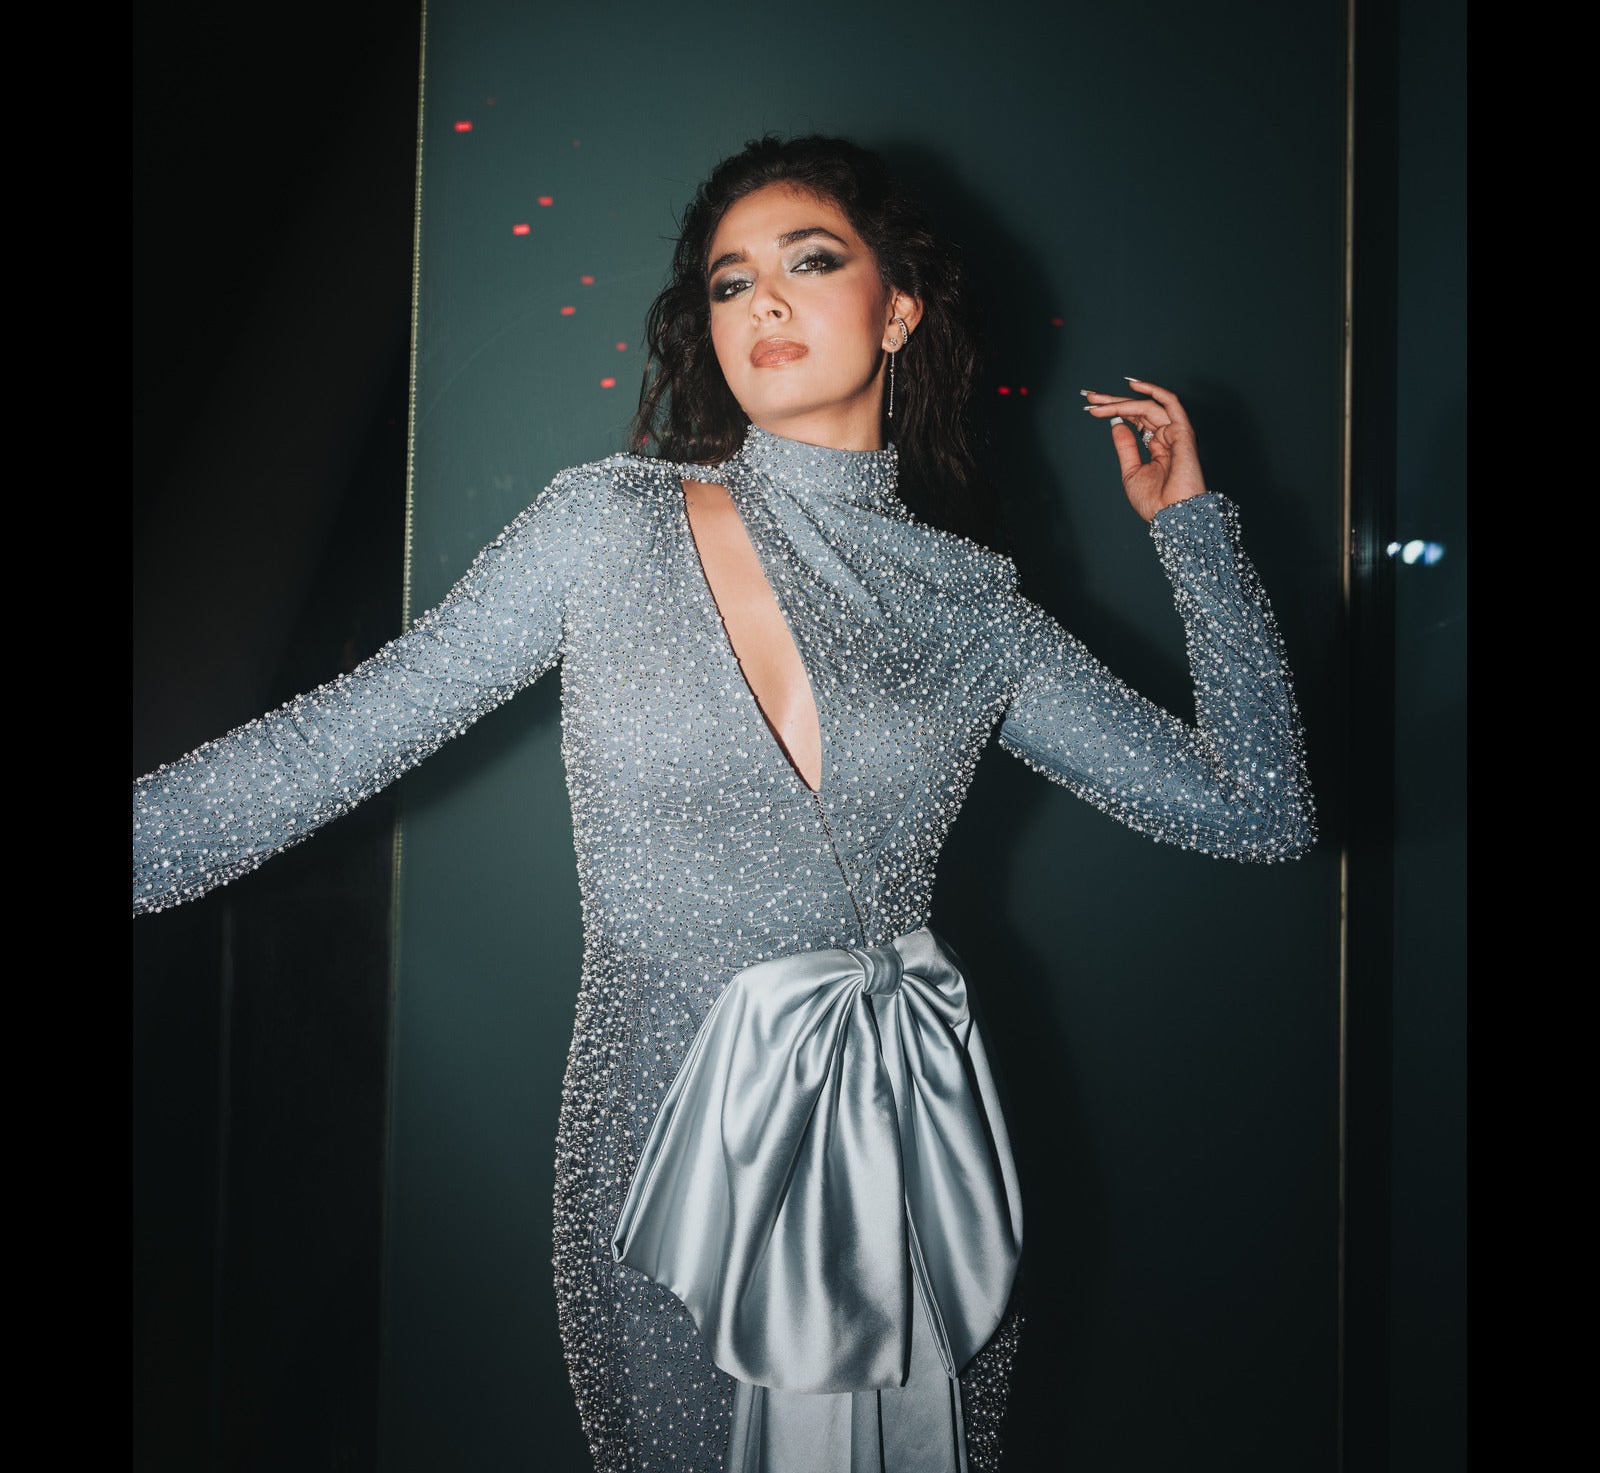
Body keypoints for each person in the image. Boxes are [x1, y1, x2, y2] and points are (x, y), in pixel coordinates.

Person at [133, 134, 1314, 1472]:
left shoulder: (973, 605)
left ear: (900, 308)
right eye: (730, 282)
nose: (763, 303)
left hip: (908, 1155)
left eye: (809, 263)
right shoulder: (608, 525)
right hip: (670, 1154)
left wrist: (1191, 534)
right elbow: (335, 741)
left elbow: (1258, 811)